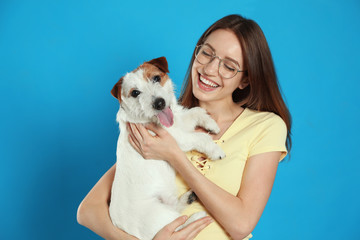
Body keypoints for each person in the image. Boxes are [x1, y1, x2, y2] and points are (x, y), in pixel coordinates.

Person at [77, 14, 292, 240]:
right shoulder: (157, 122)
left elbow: (241, 225)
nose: (209, 69)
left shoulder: (265, 127)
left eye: (229, 66)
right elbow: (88, 210)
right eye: (207, 53)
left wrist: (174, 155)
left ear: (245, 80)